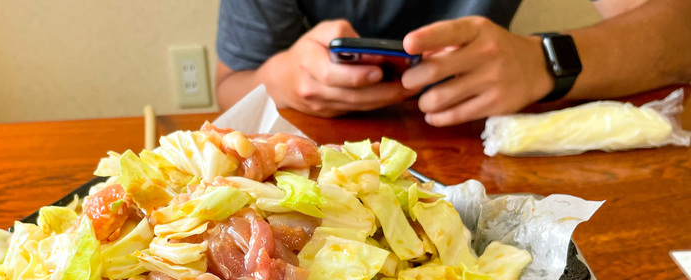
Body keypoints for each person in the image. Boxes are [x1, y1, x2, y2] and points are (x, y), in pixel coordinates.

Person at [215, 0, 691, 126]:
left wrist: (543, 61)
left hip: (488, 144)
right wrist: (281, 80)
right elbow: (231, 87)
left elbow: (679, 34)